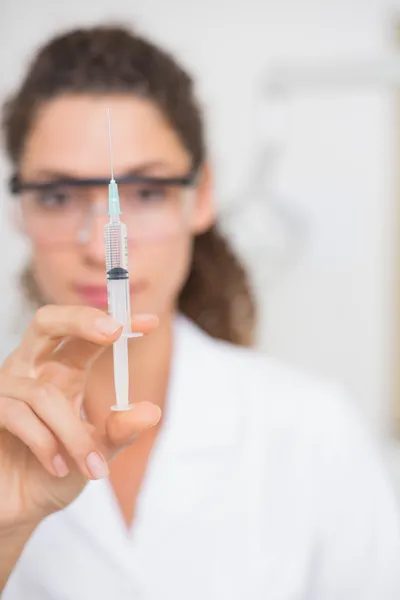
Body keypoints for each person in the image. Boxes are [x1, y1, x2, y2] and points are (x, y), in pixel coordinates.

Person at [0, 24, 399, 600]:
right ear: (20, 210)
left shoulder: (313, 432)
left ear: (202, 195)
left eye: (148, 192)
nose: (97, 244)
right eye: (58, 197)